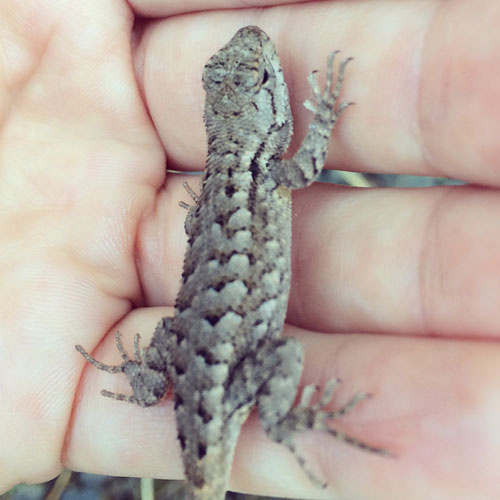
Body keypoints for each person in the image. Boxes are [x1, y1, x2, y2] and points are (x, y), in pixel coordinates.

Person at [1, 1, 499, 499]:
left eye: (255, 78)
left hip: (201, 360)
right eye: (259, 79)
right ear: (270, 114)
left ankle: (147, 381)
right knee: (279, 355)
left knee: (185, 337)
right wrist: (324, 118)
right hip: (220, 381)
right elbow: (303, 170)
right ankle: (280, 422)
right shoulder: (265, 174)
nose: (258, 53)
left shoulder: (219, 178)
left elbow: (203, 219)